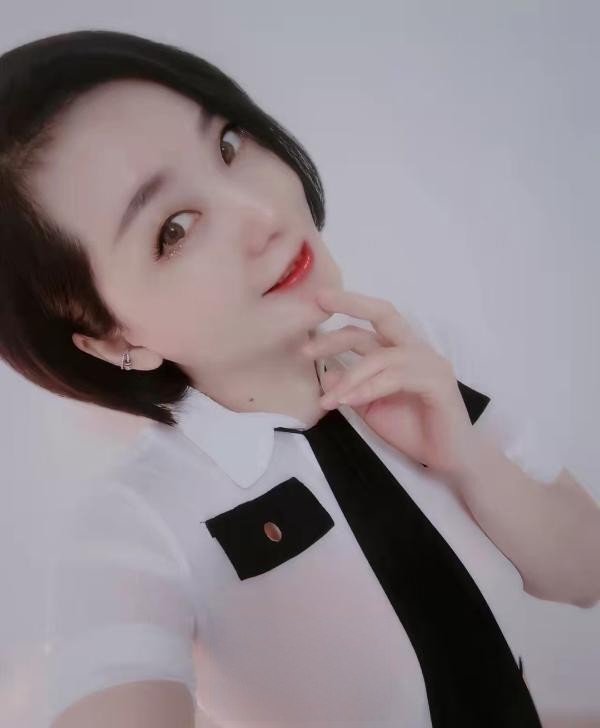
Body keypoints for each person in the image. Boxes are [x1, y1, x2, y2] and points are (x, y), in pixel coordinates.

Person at [0, 29, 598, 728]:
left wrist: (468, 461)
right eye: (175, 228)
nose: (263, 215)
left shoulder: (420, 352)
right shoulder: (134, 527)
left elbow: (586, 572)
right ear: (110, 336)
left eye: (229, 144)